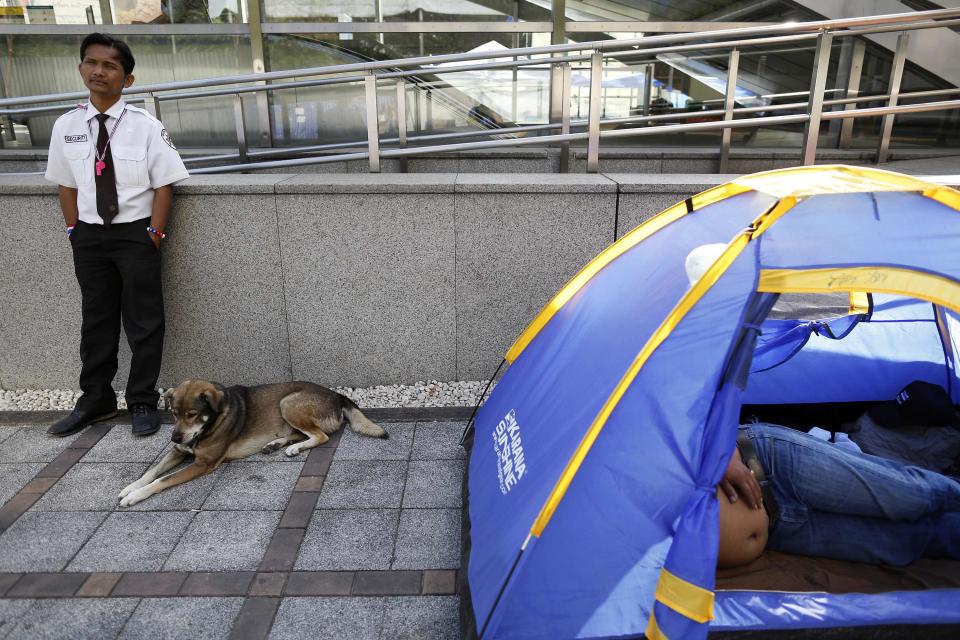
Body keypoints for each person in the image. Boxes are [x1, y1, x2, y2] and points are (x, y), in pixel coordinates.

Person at [44, 33, 189, 438]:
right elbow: (65, 183)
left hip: (135, 235)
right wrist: (74, 230)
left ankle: (141, 400)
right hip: (89, 237)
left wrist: (154, 234)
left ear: (127, 79)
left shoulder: (144, 125)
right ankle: (96, 400)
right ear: (80, 69)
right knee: (96, 320)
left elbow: (165, 184)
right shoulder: (67, 125)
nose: (98, 71)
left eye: (110, 66)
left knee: (143, 321)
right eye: (91, 63)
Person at [717, 422, 960, 569]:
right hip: (781, 530)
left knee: (913, 494)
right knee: (904, 542)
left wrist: (722, 449)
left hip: (767, 465)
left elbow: (692, 400)